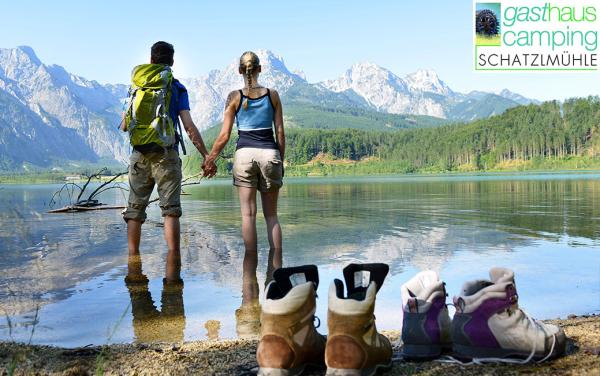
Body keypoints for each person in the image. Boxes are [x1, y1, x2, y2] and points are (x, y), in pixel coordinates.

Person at [121, 41, 209, 282]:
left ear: (151, 60)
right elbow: (188, 126)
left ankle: (133, 268)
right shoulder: (176, 88)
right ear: (172, 62)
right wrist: (205, 155)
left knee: (134, 211)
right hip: (166, 156)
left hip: (139, 155)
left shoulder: (137, 86)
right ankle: (173, 275)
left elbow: (125, 124)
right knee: (170, 212)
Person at [203, 51, 285, 291]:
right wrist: (281, 160)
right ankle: (275, 280)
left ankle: (249, 288)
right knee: (272, 217)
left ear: (240, 71)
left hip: (244, 156)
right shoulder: (273, 96)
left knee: (248, 216)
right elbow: (280, 133)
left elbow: (224, 136)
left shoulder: (234, 97)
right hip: (270, 154)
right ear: (259, 69)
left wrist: (210, 159)